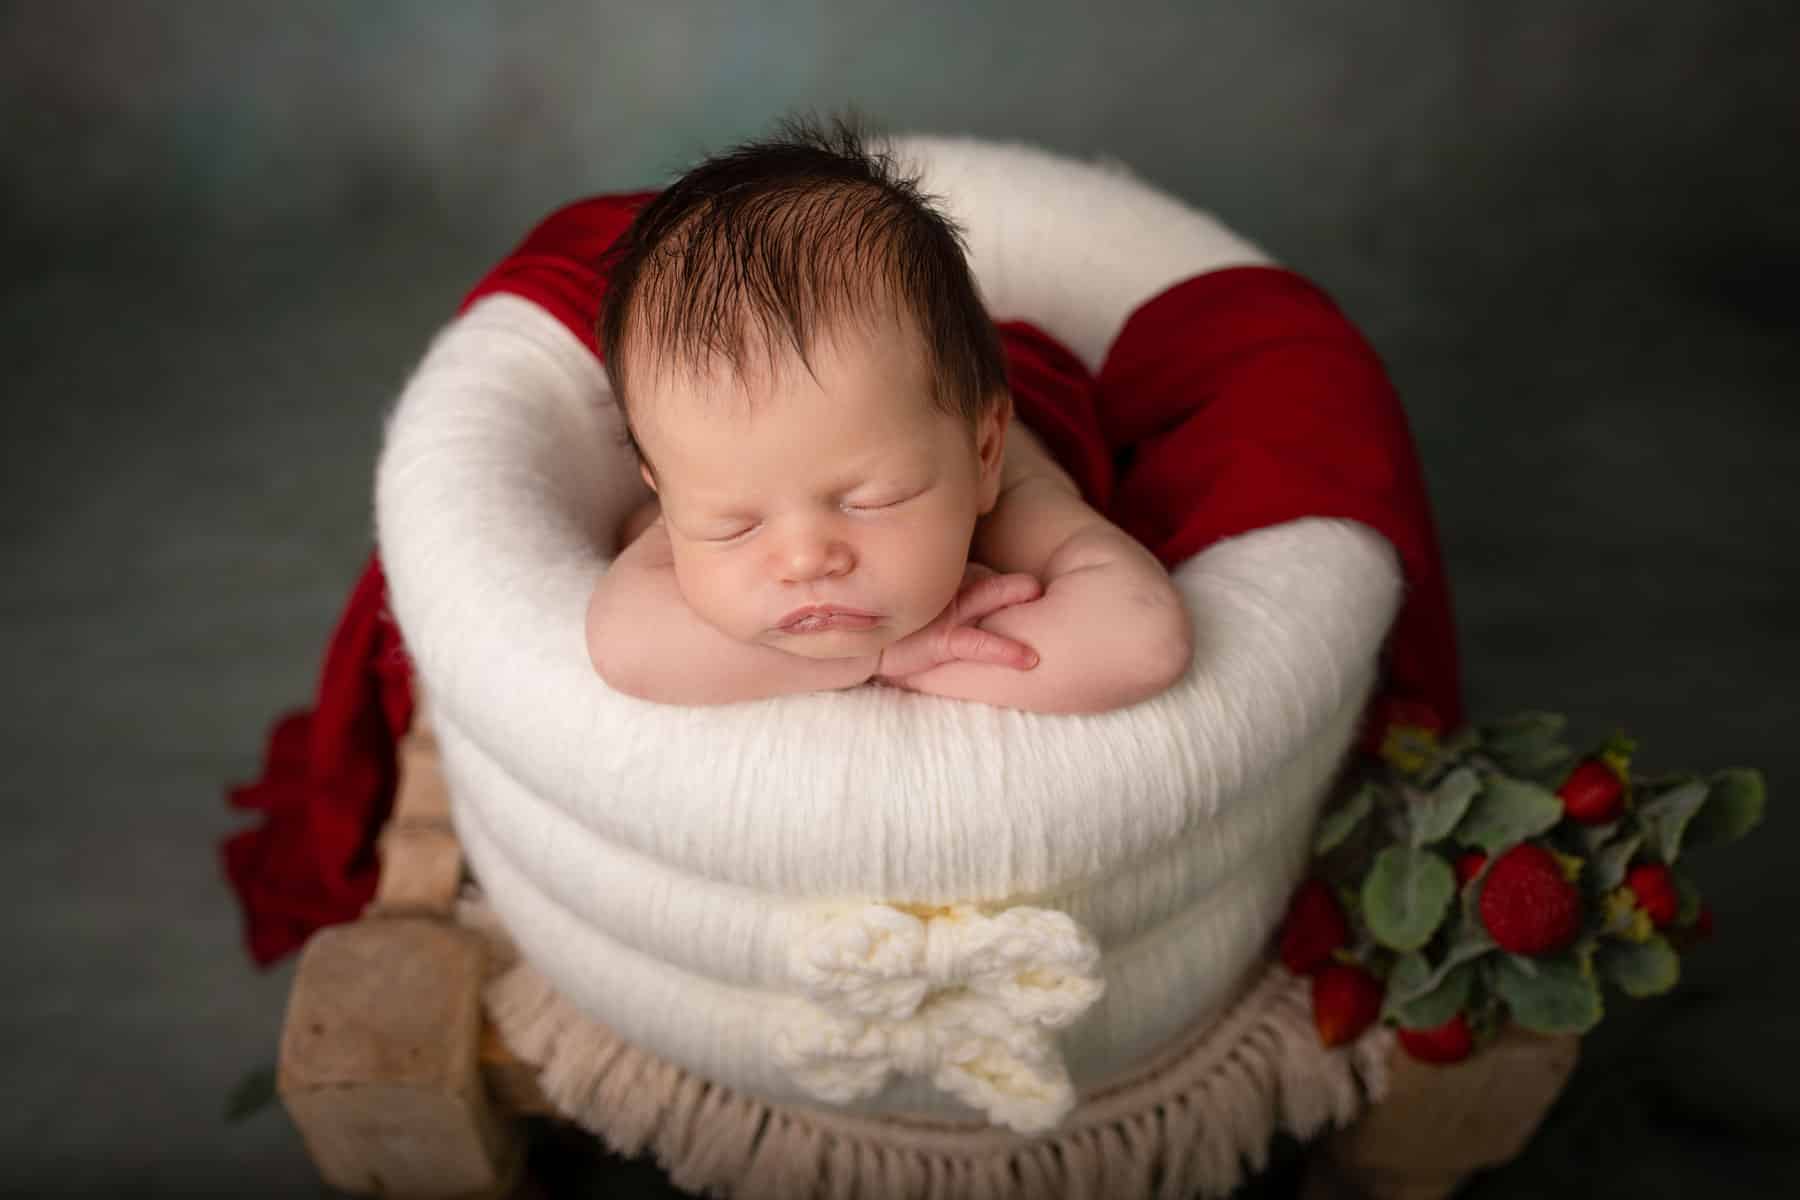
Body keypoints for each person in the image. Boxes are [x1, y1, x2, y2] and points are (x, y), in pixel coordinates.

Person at [586, 116, 1194, 712]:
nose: (805, 560)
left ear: (982, 455)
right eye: (733, 526)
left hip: (1024, 391)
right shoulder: (714, 473)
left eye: (870, 501)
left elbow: (1141, 646)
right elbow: (625, 646)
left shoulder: (1011, 493)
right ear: (663, 489)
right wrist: (887, 658)